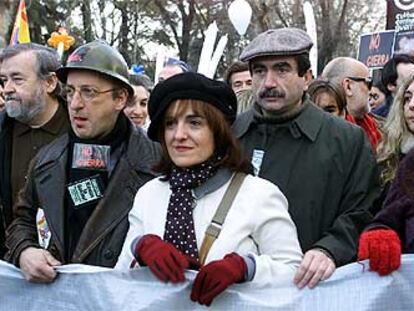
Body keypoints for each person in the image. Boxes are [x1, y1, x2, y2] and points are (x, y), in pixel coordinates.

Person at [116, 72, 303, 306]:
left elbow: (293, 271)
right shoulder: (149, 194)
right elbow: (121, 280)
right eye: (170, 124)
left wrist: (247, 267)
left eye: (194, 123)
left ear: (218, 131)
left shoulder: (259, 194)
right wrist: (140, 248)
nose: (179, 135)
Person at [234, 27, 380, 289]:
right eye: (259, 71)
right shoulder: (230, 135)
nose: (268, 82)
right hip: (240, 289)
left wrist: (329, 249)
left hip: (315, 289)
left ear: (306, 77)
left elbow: (362, 210)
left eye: (282, 69)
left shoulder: (347, 140)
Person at [5, 41, 160, 283]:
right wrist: (25, 250)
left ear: (120, 98)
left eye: (89, 92)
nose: (75, 103)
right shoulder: (48, 159)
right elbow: (23, 219)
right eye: (70, 92)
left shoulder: (156, 161)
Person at [0, 43, 70, 258]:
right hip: (10, 264)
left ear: (49, 82)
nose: (7, 88)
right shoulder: (3, 131)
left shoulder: (81, 129)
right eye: (4, 80)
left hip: (71, 268)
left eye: (17, 79)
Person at [322, 57, 382, 150]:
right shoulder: (326, 132)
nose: (370, 91)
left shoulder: (378, 126)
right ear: (348, 86)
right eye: (368, 82)